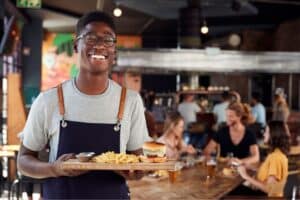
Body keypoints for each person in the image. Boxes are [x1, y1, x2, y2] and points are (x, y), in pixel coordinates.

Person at [17, 11, 149, 199]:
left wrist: (136, 171)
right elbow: (23, 161)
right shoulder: (49, 100)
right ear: (76, 46)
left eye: (108, 39)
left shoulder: (130, 101)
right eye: (91, 38)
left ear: (114, 51)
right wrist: (54, 169)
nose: (100, 45)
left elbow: (139, 163)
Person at [236, 121, 290, 197]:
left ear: (274, 135)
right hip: (262, 194)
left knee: (230, 192)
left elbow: (270, 189)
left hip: (265, 196)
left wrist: (246, 176)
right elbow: (268, 171)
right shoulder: (276, 153)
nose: (264, 134)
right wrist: (249, 166)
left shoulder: (275, 158)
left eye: (266, 132)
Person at [204, 102, 260, 166]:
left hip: (242, 170)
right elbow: (207, 151)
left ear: (239, 117)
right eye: (227, 116)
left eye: (231, 116)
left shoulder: (249, 134)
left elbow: (256, 157)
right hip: (223, 170)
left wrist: (240, 161)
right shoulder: (222, 131)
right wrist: (210, 158)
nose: (227, 119)